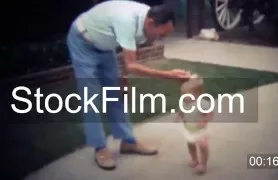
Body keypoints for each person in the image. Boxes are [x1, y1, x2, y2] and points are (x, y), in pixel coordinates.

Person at [66, 0, 191, 170]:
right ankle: (100, 148)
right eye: (161, 35)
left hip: (105, 47)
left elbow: (130, 52)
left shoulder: (147, 19)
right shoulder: (127, 20)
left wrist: (123, 78)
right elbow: (132, 64)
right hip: (83, 42)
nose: (160, 40)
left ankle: (128, 142)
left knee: (116, 94)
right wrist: (169, 75)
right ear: (151, 23)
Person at [176, 74, 214, 174]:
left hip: (201, 129)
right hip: (189, 128)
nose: (184, 97)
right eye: (182, 95)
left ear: (198, 94)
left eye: (187, 96)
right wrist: (179, 116)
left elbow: (210, 114)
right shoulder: (184, 101)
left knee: (203, 145)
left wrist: (204, 120)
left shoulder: (203, 103)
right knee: (191, 144)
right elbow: (181, 110)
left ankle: (203, 164)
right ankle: (194, 159)